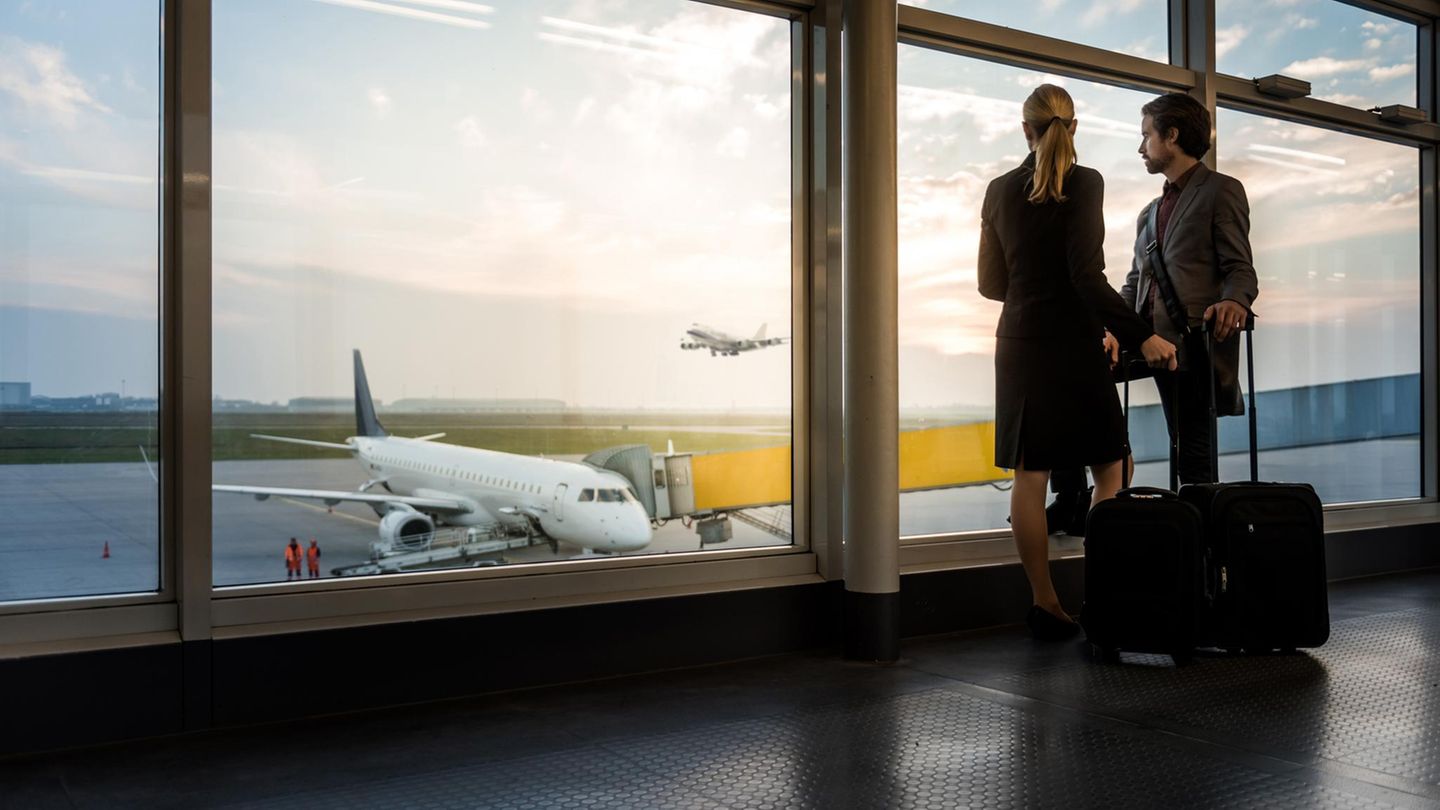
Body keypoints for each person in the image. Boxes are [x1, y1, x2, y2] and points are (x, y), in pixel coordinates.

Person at [978, 84, 1178, 641]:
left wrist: (1031, 292)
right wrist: (1141, 336)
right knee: (1111, 465)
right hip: (1074, 342)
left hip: (1020, 344)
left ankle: (1044, 603)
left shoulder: (997, 190)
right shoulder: (1085, 182)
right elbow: (1086, 277)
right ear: (1074, 126)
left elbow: (989, 283)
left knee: (1030, 474)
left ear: (1026, 129)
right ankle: (1102, 598)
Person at [1120, 93, 1258, 485]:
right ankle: (1074, 497)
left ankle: (1200, 541)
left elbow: (1240, 267)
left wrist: (1234, 299)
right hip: (1143, 341)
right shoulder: (1148, 212)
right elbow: (1135, 281)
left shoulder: (1220, 190)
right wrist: (1111, 327)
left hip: (1190, 344)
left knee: (1193, 455)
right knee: (1078, 387)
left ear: (1172, 136)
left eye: (1146, 135)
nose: (1141, 147)